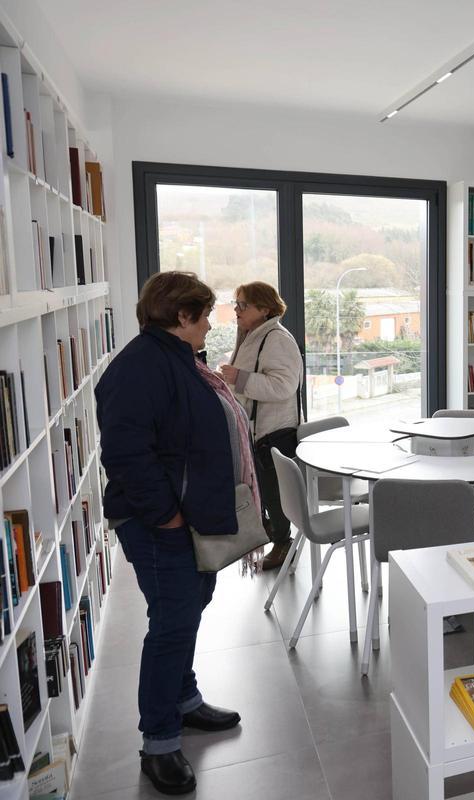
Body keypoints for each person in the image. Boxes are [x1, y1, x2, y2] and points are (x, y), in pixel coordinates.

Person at [96, 271, 252, 795]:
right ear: (181, 316)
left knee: (189, 608)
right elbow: (125, 454)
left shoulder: (176, 357)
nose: (210, 324)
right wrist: (167, 517)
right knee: (171, 624)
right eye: (204, 315)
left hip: (188, 518)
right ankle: (159, 743)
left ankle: (184, 701)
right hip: (159, 523)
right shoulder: (140, 367)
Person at [218, 281, 303, 571]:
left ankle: (283, 543)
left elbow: (283, 386)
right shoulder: (252, 335)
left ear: (264, 309)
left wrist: (239, 378)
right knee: (263, 488)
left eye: (243, 305)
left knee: (274, 491)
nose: (236, 310)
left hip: (273, 431)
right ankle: (270, 534)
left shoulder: (276, 339)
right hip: (256, 429)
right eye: (236, 304)